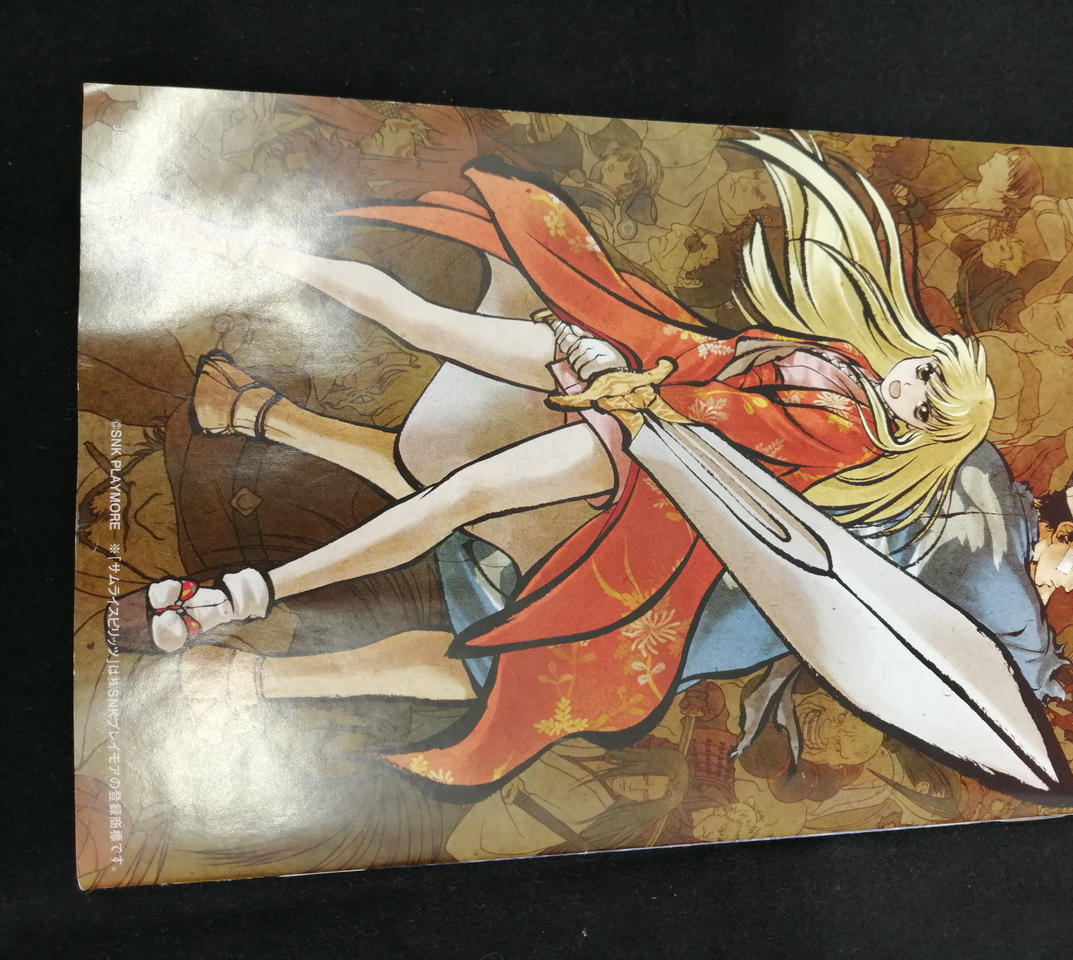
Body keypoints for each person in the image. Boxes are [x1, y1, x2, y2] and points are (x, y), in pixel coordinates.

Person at [117, 134, 997, 794]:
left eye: (926, 409)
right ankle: (238, 249)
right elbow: (713, 361)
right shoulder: (847, 366)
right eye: (926, 376)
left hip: (644, 453)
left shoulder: (850, 435)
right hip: (633, 379)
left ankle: (242, 597)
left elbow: (726, 417)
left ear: (927, 438)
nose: (910, 391)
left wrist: (627, 378)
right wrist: (613, 340)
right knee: (430, 342)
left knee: (460, 502)